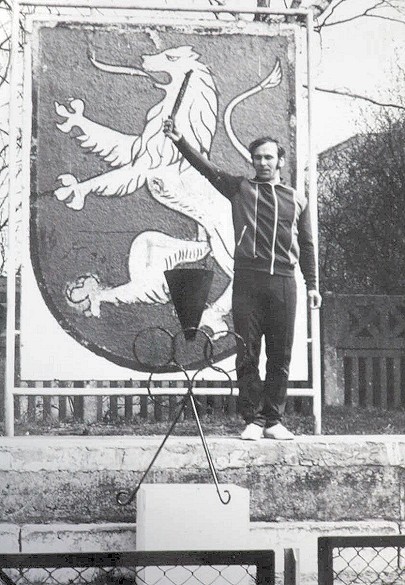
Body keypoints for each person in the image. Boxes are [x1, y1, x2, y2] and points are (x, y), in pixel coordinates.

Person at [163, 118, 322, 441]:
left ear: (279, 161)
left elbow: (306, 244)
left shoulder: (297, 198)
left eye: (269, 157)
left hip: (284, 283)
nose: (263, 163)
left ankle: (274, 420)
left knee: (280, 354)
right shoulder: (240, 188)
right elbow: (207, 170)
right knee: (247, 352)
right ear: (253, 161)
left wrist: (313, 285)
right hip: (248, 282)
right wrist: (180, 140)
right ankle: (252, 420)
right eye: (258, 158)